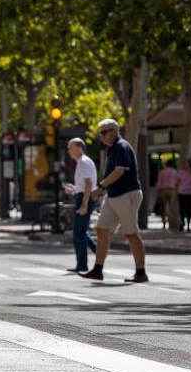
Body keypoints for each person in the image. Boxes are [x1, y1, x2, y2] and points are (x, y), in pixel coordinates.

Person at [81, 119, 148, 283]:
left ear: (114, 131)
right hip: (113, 196)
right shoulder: (112, 149)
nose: (102, 136)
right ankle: (97, 270)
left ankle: (141, 273)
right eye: (100, 133)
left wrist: (101, 186)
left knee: (131, 233)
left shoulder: (121, 147)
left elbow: (119, 172)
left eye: (104, 132)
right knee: (102, 230)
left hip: (127, 195)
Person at [62, 138, 97, 272]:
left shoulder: (83, 162)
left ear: (79, 148)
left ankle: (82, 264)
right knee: (80, 231)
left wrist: (84, 204)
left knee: (79, 233)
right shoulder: (82, 162)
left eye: (71, 148)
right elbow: (84, 185)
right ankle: (98, 251)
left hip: (84, 198)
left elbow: (88, 184)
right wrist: (74, 189)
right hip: (82, 196)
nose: (69, 151)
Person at [155, 159, 179, 230]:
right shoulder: (175, 172)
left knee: (163, 208)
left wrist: (158, 192)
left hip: (163, 190)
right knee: (172, 208)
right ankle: (171, 223)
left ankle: (164, 223)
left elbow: (159, 182)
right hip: (172, 190)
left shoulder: (162, 172)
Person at [176, 158, 191, 232]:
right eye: (185, 163)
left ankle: (188, 225)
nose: (186, 164)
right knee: (182, 208)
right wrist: (175, 192)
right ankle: (182, 222)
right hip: (182, 192)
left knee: (189, 209)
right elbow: (178, 182)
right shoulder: (181, 172)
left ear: (190, 164)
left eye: (187, 163)